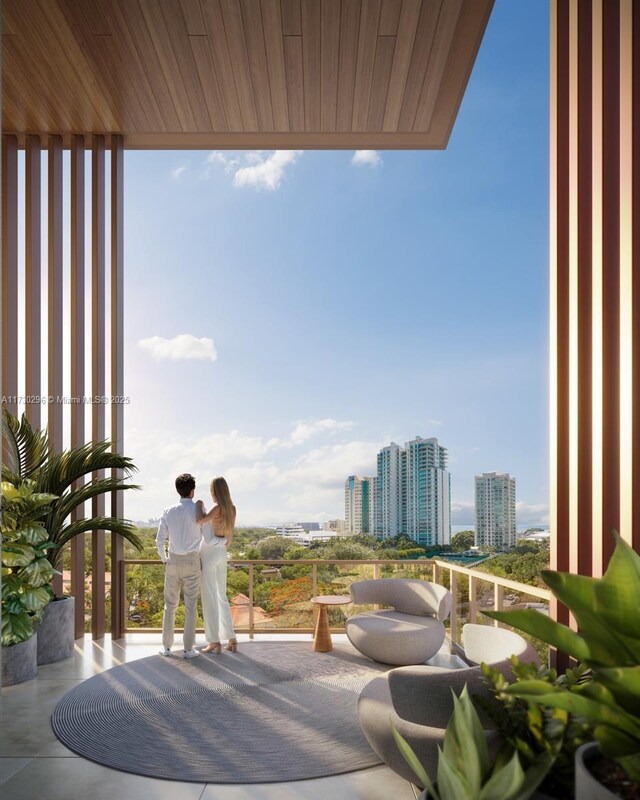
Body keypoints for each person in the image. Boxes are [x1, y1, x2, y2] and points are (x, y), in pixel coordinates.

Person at [156, 473, 202, 659]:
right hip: (192, 561)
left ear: (178, 490)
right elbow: (206, 535)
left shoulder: (168, 511)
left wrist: (164, 558)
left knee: (170, 606)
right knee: (191, 607)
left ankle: (167, 648)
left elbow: (160, 540)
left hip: (172, 561)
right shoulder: (198, 510)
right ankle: (188, 650)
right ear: (192, 491)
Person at [195, 476, 237, 653]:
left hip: (210, 553)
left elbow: (199, 521)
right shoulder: (232, 509)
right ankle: (231, 638)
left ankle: (214, 641)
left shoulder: (217, 508)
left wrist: (198, 505)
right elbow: (230, 535)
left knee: (209, 597)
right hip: (222, 553)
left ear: (215, 491)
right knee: (222, 596)